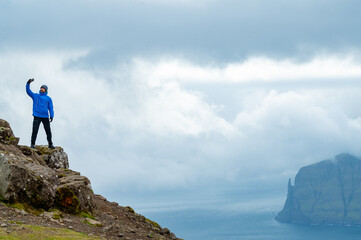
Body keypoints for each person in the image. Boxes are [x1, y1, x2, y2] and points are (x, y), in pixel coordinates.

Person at [26, 78, 55, 149]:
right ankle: (32, 144)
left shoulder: (48, 98)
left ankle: (50, 144)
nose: (41, 89)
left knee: (48, 131)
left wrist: (51, 115)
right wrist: (28, 83)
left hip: (45, 116)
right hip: (37, 116)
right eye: (41, 88)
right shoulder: (36, 96)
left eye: (43, 88)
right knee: (35, 130)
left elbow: (51, 108)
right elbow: (28, 91)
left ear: (46, 90)